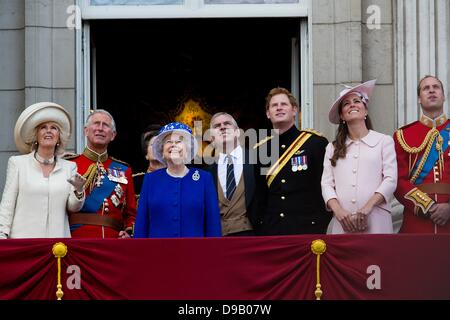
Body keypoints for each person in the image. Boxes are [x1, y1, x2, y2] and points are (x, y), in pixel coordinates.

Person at [321, 80, 397, 234]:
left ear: (366, 111)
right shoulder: (332, 148)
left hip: (376, 220)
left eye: (357, 101)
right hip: (343, 223)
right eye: (346, 104)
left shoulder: (384, 141)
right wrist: (339, 212)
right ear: (342, 115)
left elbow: (390, 179)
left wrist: (368, 207)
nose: (352, 105)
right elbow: (327, 184)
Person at [0, 102, 86, 239]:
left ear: (59, 137)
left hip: (57, 245)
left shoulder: (69, 167)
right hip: (23, 242)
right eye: (43, 128)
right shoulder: (18, 163)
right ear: (36, 136)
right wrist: (2, 234)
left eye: (54, 128)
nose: (48, 131)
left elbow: (73, 207)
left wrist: (79, 190)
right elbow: (7, 204)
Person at [254, 87, 331, 235]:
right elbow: (261, 195)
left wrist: (320, 223)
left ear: (294, 110)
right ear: (268, 114)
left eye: (284, 104)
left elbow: (324, 186)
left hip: (307, 228)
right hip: (273, 230)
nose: (279, 108)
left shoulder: (315, 143)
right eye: (274, 105)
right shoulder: (262, 149)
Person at [134, 122, 221, 238]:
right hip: (157, 253)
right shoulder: (150, 180)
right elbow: (141, 224)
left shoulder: (204, 179)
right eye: (168, 142)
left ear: (188, 149)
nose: (173, 144)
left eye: (179, 141)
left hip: (195, 253)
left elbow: (213, 225)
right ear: (162, 151)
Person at [66, 109, 137, 238]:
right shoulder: (68, 165)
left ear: (113, 135)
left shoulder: (124, 169)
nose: (100, 128)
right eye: (96, 123)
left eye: (105, 125)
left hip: (113, 241)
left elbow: (130, 213)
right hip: (76, 240)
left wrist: (128, 232)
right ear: (86, 130)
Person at [393, 75, 450, 233]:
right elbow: (398, 180)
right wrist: (428, 206)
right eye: (426, 88)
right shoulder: (403, 135)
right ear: (419, 99)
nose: (431, 90)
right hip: (418, 219)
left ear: (443, 96)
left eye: (436, 87)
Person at [207, 112, 257, 236]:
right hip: (219, 238)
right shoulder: (207, 172)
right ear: (212, 138)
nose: (222, 127)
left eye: (227, 124)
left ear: (238, 133)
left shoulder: (258, 160)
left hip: (253, 235)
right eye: (217, 126)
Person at [132, 124, 165, 202]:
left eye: (160, 145)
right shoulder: (134, 182)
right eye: (153, 145)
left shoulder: (178, 180)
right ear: (146, 154)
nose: (157, 148)